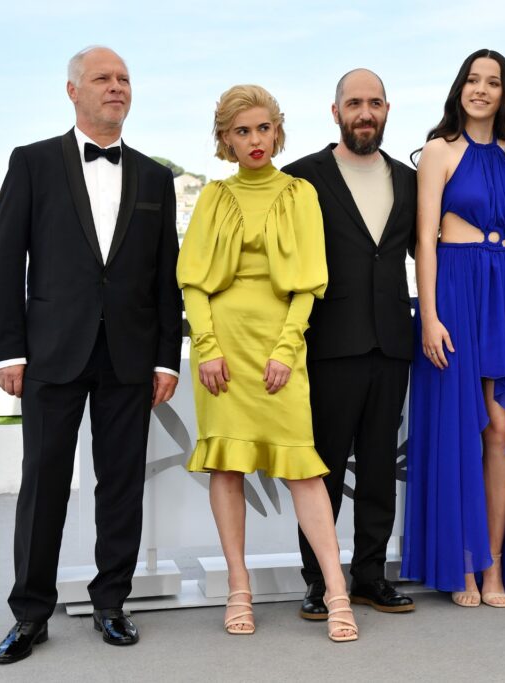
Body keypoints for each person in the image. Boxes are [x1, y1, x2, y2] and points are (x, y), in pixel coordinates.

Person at [0, 46, 182, 664]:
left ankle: (112, 603)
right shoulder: (32, 162)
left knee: (121, 483)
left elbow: (166, 276)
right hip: (51, 352)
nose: (116, 87)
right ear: (73, 91)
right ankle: (30, 613)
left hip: (129, 355)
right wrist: (7, 350)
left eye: (124, 78)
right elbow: (5, 262)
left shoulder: (155, 177)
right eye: (102, 78)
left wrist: (166, 358)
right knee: (44, 482)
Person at [177, 84, 358, 642]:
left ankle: (336, 590)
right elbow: (192, 282)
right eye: (242, 131)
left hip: (281, 345)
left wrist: (286, 348)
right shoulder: (213, 196)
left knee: (303, 467)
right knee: (227, 466)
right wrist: (207, 347)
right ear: (225, 139)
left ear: (277, 132)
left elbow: (309, 282)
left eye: (263, 128)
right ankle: (239, 587)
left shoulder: (301, 193)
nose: (255, 140)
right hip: (222, 348)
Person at [402, 49, 505, 607]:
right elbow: (425, 240)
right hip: (454, 290)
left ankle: (494, 564)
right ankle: (465, 567)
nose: (480, 89)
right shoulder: (438, 151)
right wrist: (429, 315)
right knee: (461, 428)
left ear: (504, 93)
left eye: (492, 82)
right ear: (460, 88)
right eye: (472, 80)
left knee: (501, 427)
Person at [282, 69, 417, 619]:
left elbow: (429, 254)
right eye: (355, 103)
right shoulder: (300, 178)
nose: (366, 112)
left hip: (393, 341)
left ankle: (370, 576)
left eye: (375, 103)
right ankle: (318, 580)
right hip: (328, 343)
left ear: (387, 110)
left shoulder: (410, 180)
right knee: (325, 468)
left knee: (381, 467)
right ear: (335, 111)